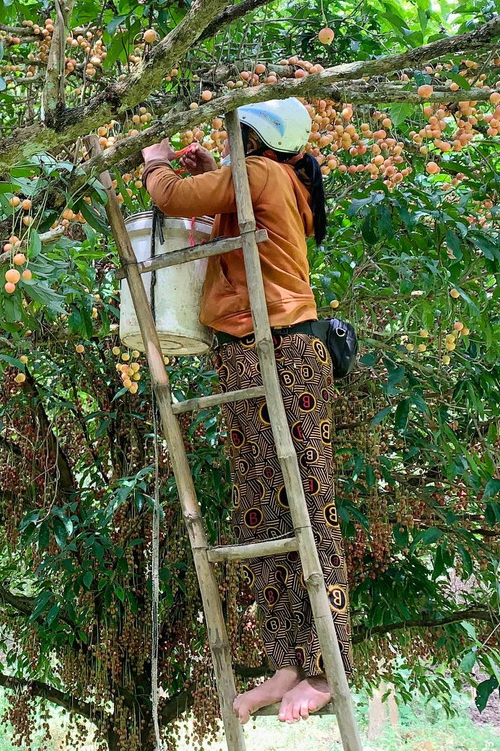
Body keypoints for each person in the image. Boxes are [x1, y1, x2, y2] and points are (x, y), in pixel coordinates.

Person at [139, 97, 350, 725]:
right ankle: (286, 663)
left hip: (282, 346)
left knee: (306, 502)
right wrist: (207, 167)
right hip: (245, 350)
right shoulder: (263, 176)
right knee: (261, 510)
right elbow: (217, 196)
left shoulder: (262, 174)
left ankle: (324, 669)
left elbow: (174, 198)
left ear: (253, 140)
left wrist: (155, 162)